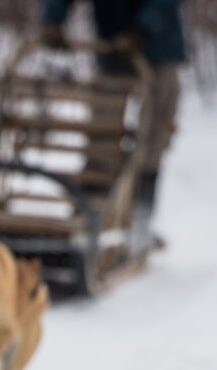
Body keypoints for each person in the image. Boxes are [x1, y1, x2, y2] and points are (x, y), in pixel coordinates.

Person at [41, 0, 186, 247]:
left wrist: (141, 30)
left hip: (158, 51)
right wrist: (52, 21)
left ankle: (139, 219)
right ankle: (91, 217)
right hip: (111, 52)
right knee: (101, 137)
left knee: (151, 140)